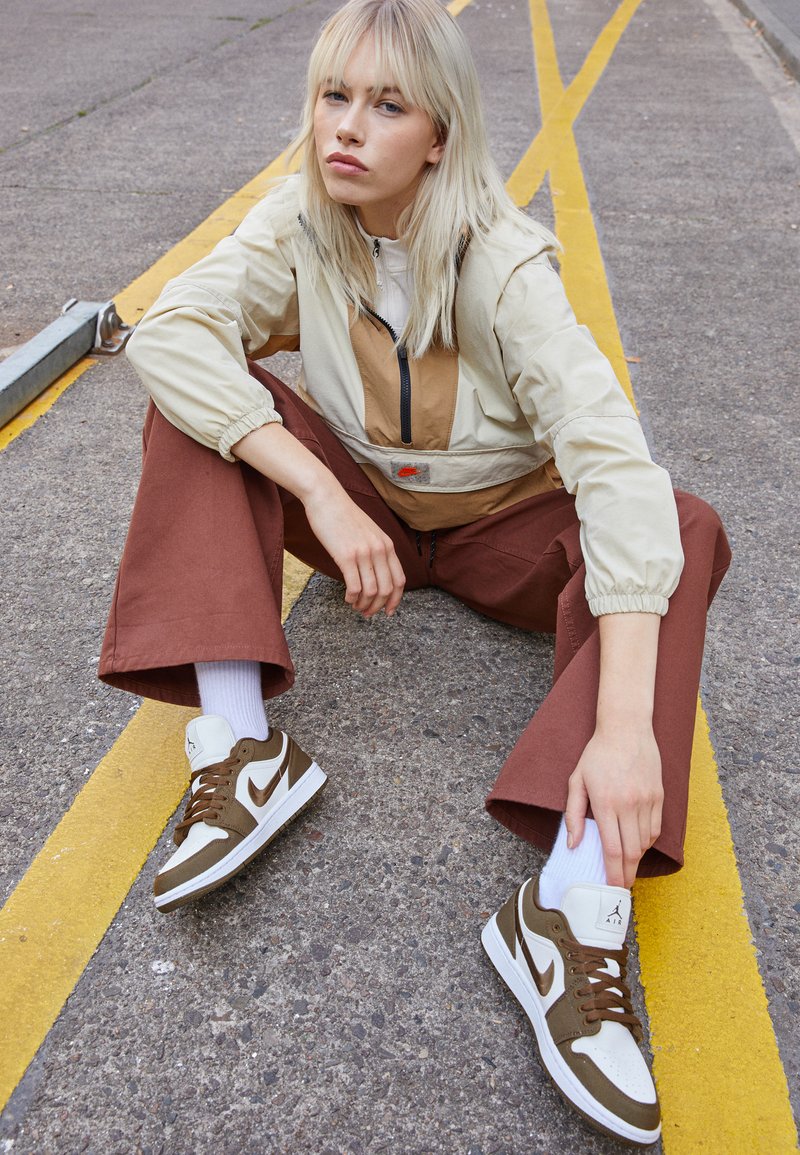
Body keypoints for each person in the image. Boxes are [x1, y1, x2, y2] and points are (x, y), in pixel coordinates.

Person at [98, 0, 731, 1144]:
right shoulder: (298, 222)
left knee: (679, 525)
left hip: (498, 531)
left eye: (385, 105)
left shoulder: (503, 263)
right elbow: (171, 332)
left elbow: (612, 467)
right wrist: (321, 491)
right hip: (366, 514)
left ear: (438, 135)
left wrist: (623, 729)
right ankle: (242, 748)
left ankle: (571, 903)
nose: (346, 127)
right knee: (194, 406)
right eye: (332, 97)